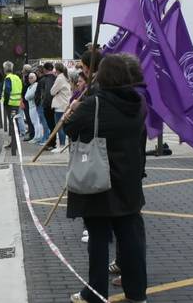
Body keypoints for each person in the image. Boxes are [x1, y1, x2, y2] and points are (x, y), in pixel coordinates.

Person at [67, 54, 148, 303]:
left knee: (99, 241)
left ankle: (95, 292)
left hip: (98, 181)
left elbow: (71, 129)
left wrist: (74, 110)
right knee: (130, 240)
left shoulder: (95, 104)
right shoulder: (138, 103)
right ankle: (137, 294)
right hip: (129, 179)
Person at [50, 62, 72, 153]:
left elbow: (52, 91)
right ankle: (64, 145)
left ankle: (61, 146)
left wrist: (56, 92)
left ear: (57, 69)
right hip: (66, 103)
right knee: (64, 125)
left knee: (59, 126)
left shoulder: (59, 78)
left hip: (60, 105)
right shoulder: (67, 77)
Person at [1, 61, 23, 150]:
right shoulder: (17, 78)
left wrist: (5, 102)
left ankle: (15, 144)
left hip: (10, 104)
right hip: (16, 103)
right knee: (15, 123)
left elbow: (7, 90)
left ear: (4, 69)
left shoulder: (8, 78)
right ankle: (14, 142)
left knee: (13, 124)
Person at [41, 63, 57, 149]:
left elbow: (47, 93)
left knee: (51, 125)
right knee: (53, 125)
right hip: (54, 105)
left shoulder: (45, 79)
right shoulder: (55, 77)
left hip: (48, 105)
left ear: (45, 69)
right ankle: (51, 142)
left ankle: (52, 143)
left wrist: (44, 103)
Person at [24, 72, 43, 146]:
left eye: (32, 77)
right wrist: (27, 97)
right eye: (29, 78)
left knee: (37, 122)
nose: (30, 79)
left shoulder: (36, 85)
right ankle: (36, 136)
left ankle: (38, 136)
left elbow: (28, 96)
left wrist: (27, 97)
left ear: (35, 78)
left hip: (34, 106)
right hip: (30, 106)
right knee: (34, 122)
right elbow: (26, 96)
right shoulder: (30, 86)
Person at [21, 65, 34, 141]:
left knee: (29, 117)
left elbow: (25, 89)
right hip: (27, 99)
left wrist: (22, 99)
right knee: (28, 117)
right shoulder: (27, 77)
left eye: (23, 69)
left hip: (27, 100)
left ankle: (31, 134)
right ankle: (30, 130)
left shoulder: (27, 78)